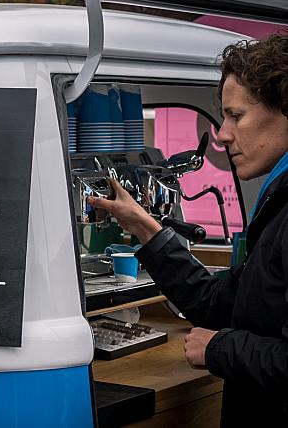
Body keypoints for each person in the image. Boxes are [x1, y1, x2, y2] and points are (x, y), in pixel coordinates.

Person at [88, 34, 288, 425]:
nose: (222, 134)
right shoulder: (276, 203)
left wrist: (220, 349)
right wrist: (145, 227)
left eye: (236, 116)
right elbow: (218, 305)